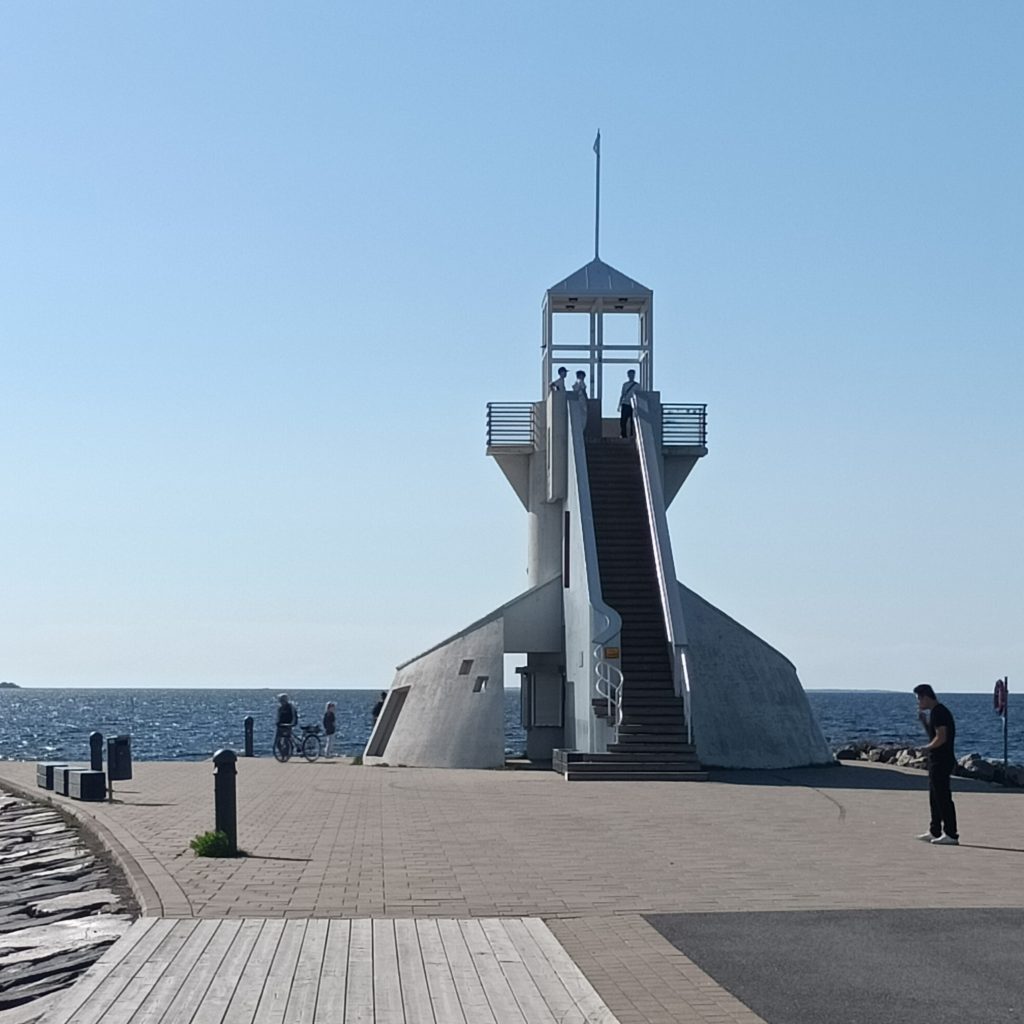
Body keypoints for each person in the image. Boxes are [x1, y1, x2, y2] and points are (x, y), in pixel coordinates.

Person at [913, 683, 959, 845]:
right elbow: (933, 734)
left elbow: (941, 737)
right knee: (934, 796)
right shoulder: (934, 713)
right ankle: (935, 830)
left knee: (943, 796)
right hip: (936, 759)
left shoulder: (940, 712)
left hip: (942, 759)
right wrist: (924, 723)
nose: (918, 703)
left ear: (926, 697)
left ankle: (951, 833)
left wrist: (926, 748)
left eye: (919, 699)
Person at [618, 369, 639, 438]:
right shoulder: (625, 385)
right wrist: (619, 404)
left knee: (632, 421)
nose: (631, 376)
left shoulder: (637, 386)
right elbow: (622, 394)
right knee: (623, 420)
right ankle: (623, 434)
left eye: (632, 375)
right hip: (625, 403)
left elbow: (639, 396)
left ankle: (632, 434)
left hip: (633, 405)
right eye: (630, 375)